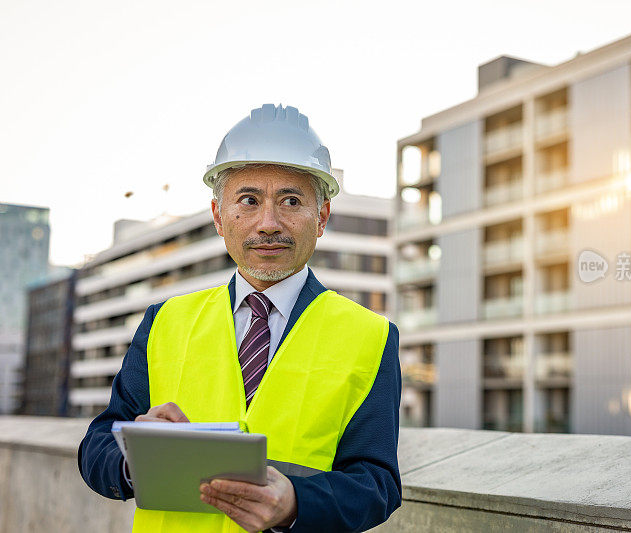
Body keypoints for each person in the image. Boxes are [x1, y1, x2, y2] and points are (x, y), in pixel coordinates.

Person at [78, 104, 402, 532]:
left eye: (290, 200)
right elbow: (95, 447)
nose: (268, 223)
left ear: (321, 217)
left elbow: (377, 485)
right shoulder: (164, 321)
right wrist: (135, 460)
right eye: (248, 200)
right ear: (218, 215)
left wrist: (295, 504)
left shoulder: (371, 336)